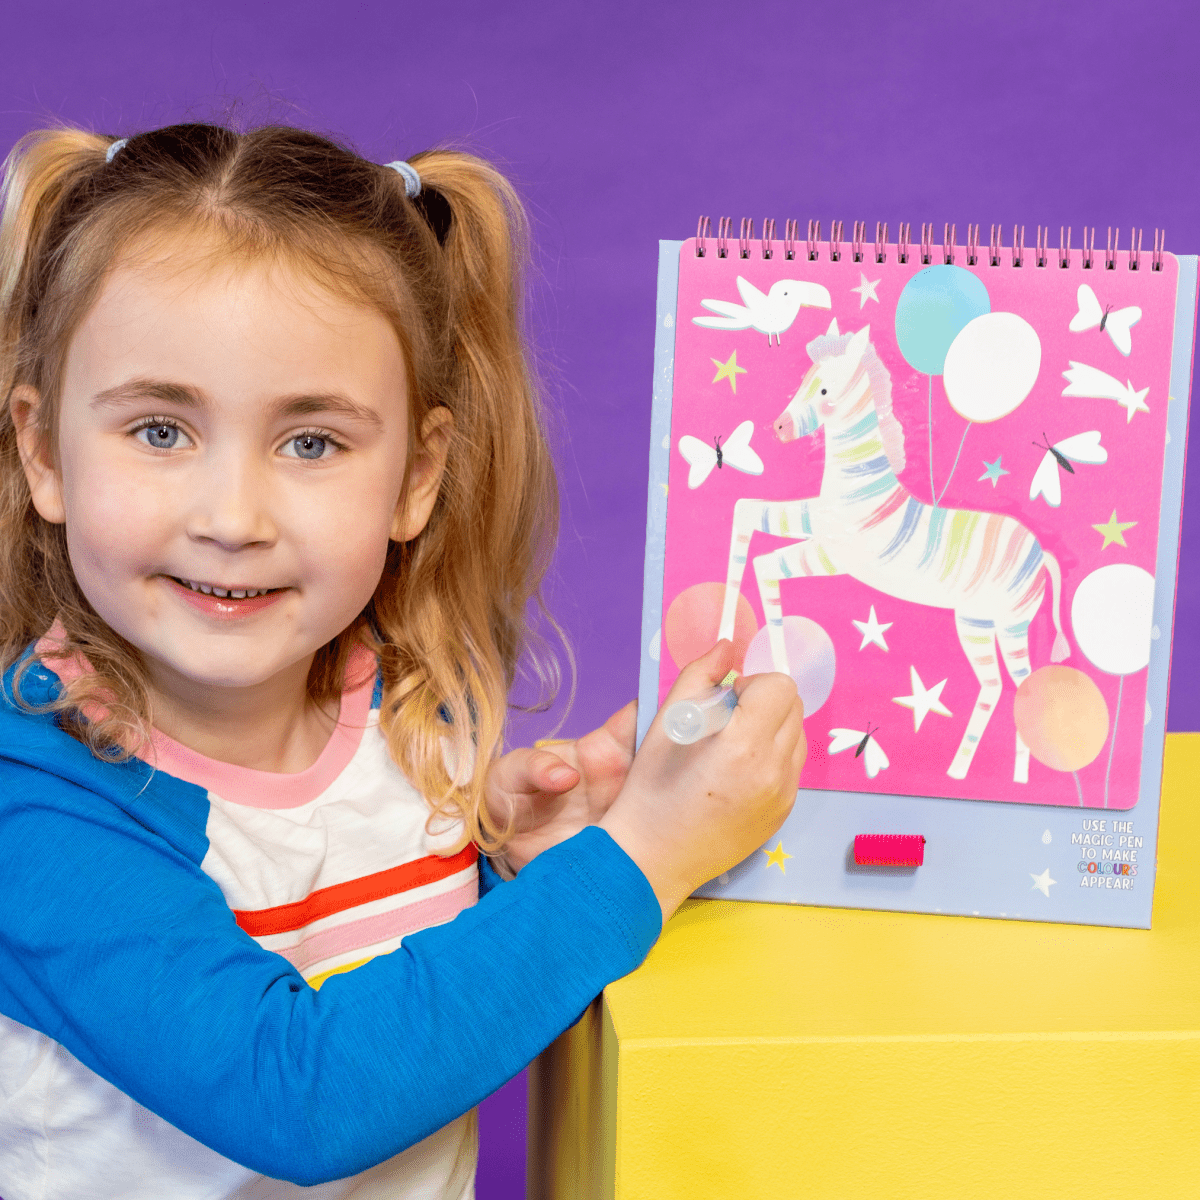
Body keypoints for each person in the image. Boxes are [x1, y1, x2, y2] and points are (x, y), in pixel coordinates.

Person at [0, 121, 806, 1200]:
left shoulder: (392, 717)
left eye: (311, 443)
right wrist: (644, 857)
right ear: (43, 449)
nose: (232, 516)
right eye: (158, 430)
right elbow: (301, 1090)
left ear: (417, 477)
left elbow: (364, 946)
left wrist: (501, 867)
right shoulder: (36, 809)